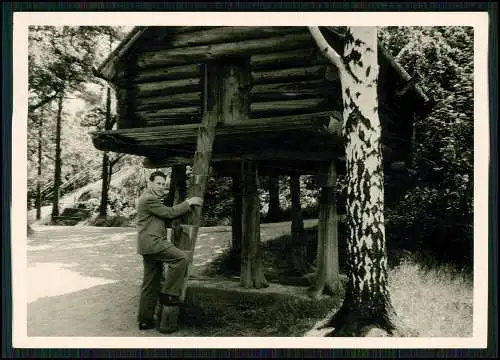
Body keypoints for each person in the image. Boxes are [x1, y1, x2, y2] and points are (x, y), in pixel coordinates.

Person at [136, 170, 203, 330]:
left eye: (163, 185)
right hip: (155, 243)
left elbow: (162, 216)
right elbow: (169, 213)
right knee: (181, 259)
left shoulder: (147, 199)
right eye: (158, 183)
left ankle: (145, 320)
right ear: (150, 183)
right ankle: (169, 293)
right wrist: (189, 202)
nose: (161, 187)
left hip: (147, 246)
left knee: (150, 283)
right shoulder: (149, 198)